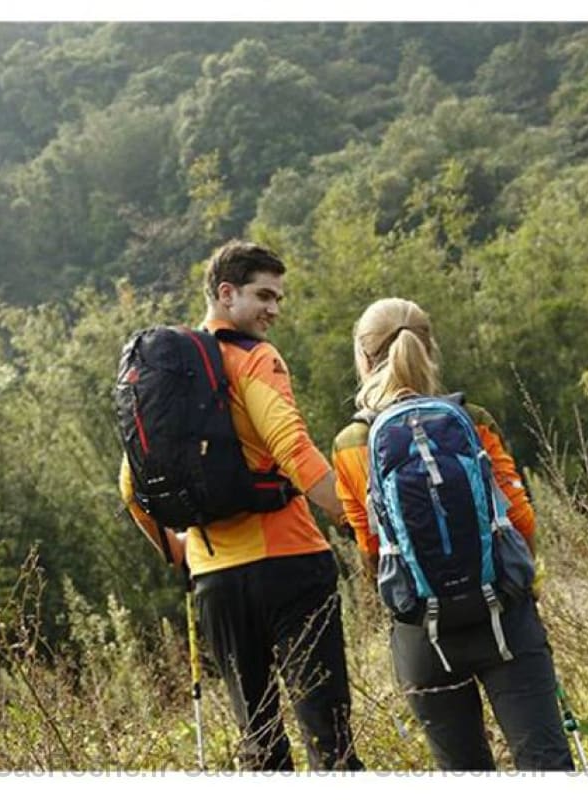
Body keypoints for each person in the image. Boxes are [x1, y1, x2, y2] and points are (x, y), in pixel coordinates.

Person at [120, 240, 363, 772]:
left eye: (278, 297)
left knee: (260, 741)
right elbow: (294, 449)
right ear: (225, 293)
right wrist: (359, 521)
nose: (274, 309)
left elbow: (132, 488)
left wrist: (178, 550)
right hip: (291, 566)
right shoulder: (255, 358)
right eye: (264, 296)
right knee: (330, 736)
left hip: (215, 581)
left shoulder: (165, 378)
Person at [331, 297, 574, 772]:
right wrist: (523, 585)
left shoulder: (351, 444)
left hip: (423, 633)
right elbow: (520, 518)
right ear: (430, 349)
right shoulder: (473, 418)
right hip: (504, 615)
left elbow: (371, 546)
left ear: (362, 358)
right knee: (545, 763)